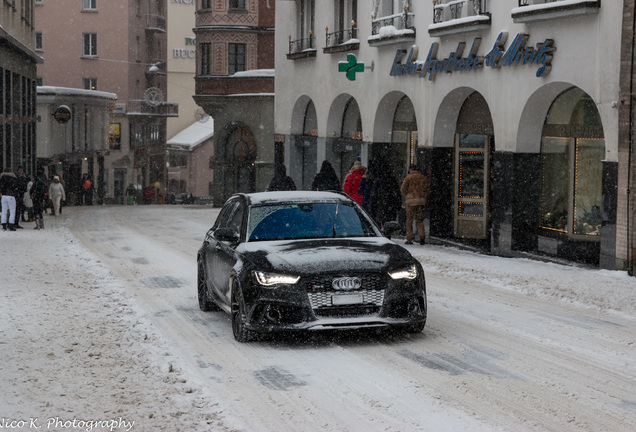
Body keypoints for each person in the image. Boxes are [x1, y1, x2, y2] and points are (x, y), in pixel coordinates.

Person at [401, 163, 430, 245]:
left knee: (409, 220)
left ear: (410, 169)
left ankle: (409, 239)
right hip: (421, 201)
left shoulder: (408, 178)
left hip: (410, 201)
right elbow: (427, 190)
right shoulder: (423, 178)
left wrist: (408, 194)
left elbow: (403, 189)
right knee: (419, 220)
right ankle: (422, 236)